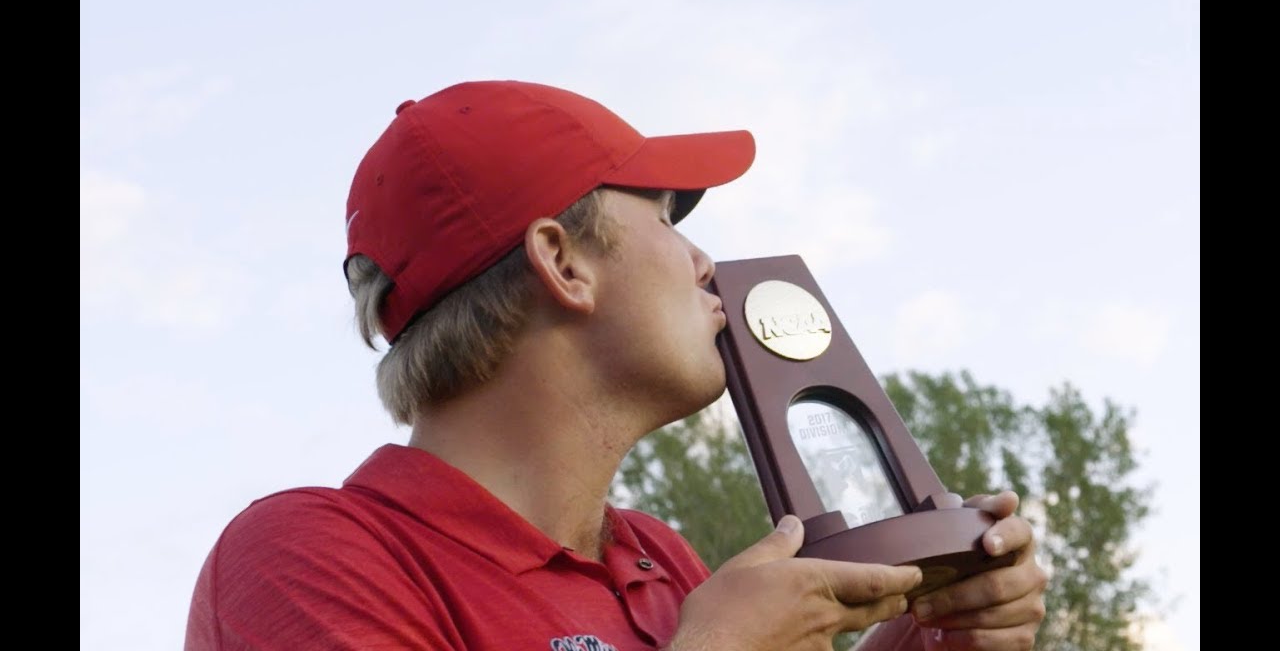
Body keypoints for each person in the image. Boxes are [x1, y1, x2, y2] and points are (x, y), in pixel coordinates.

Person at [185, 80, 1047, 650]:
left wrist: (932, 635)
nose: (705, 263)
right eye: (667, 221)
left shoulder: (658, 561)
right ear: (563, 263)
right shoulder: (308, 559)